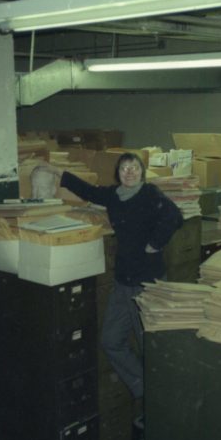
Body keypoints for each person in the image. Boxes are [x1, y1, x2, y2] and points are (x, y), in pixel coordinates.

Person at [37, 153, 183, 403]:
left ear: (142, 172)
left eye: (134, 167)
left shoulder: (150, 194)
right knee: (111, 340)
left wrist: (154, 244)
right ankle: (145, 387)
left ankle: (163, 402)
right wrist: (58, 173)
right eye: (124, 168)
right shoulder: (114, 196)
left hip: (147, 283)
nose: (129, 172)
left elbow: (175, 217)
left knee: (150, 346)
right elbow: (88, 191)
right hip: (123, 282)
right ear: (118, 173)